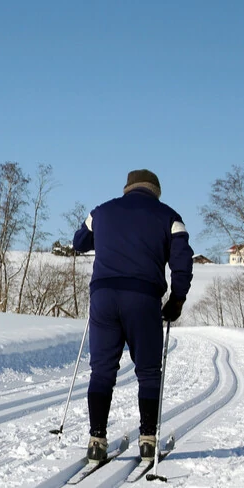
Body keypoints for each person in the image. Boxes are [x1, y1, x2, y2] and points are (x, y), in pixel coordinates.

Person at [72, 169, 193, 462]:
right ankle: (148, 439)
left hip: (103, 297)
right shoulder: (170, 218)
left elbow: (78, 242)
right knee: (149, 371)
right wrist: (176, 300)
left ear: (127, 188)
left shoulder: (101, 212)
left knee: (102, 370)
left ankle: (96, 439)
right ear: (156, 191)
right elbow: (182, 263)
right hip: (143, 298)